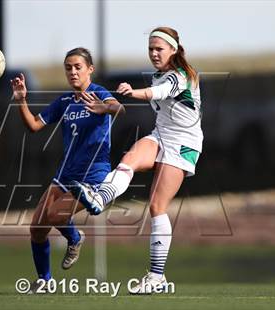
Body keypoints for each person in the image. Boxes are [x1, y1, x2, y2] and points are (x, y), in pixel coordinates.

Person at [70, 27, 203, 294]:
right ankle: (100, 198)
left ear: (174, 50)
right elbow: (154, 95)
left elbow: (159, 93)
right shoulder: (157, 75)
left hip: (184, 145)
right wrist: (107, 105)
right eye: (150, 49)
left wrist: (132, 92)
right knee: (129, 158)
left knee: (156, 207)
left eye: (159, 49)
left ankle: (156, 277)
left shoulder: (182, 76)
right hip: (161, 135)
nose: (154, 53)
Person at [11, 47, 125, 293]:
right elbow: (33, 126)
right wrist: (21, 100)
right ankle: (45, 281)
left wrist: (105, 108)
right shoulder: (63, 101)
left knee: (55, 216)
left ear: (90, 69)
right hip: (66, 173)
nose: (72, 72)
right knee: (37, 229)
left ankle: (74, 238)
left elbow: (120, 109)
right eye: (68, 68)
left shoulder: (98, 93)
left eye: (78, 67)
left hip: (93, 173)